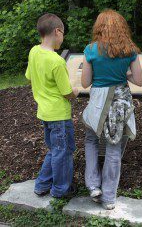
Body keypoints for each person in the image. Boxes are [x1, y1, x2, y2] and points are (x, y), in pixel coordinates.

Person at [81, 9, 142, 210]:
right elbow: (139, 80)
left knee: (91, 139)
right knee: (114, 146)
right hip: (121, 102)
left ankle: (93, 185)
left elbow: (85, 83)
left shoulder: (91, 50)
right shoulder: (130, 50)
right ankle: (109, 198)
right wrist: (124, 73)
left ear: (98, 27)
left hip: (99, 104)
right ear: (122, 27)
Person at [25, 13, 79, 198]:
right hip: (59, 115)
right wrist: (77, 90)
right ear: (57, 31)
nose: (62, 38)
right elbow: (67, 93)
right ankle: (60, 191)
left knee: (55, 150)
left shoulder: (34, 51)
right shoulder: (57, 61)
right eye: (63, 33)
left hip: (44, 113)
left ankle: (41, 185)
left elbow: (29, 78)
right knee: (63, 153)